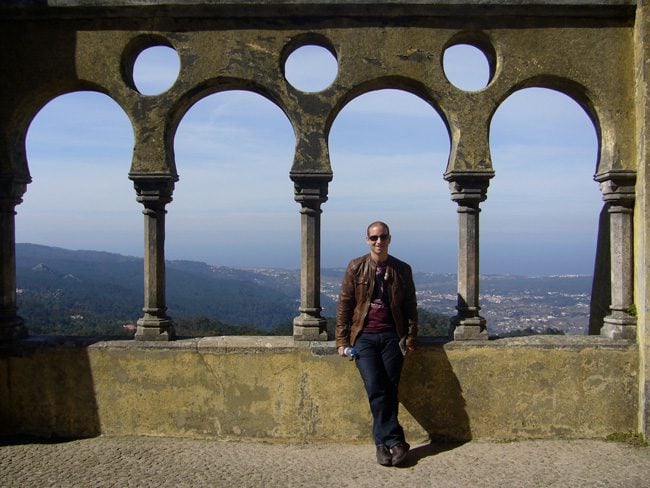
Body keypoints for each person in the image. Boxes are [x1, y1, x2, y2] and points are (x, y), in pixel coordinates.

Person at [335, 221, 418, 467]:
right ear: (367, 240)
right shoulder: (356, 267)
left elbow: (410, 306)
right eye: (374, 238)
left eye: (382, 237)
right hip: (364, 337)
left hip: (393, 336)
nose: (378, 242)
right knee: (375, 387)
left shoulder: (402, 269)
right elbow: (345, 304)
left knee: (390, 390)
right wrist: (341, 340)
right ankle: (395, 441)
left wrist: (411, 336)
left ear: (390, 239)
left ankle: (383, 445)